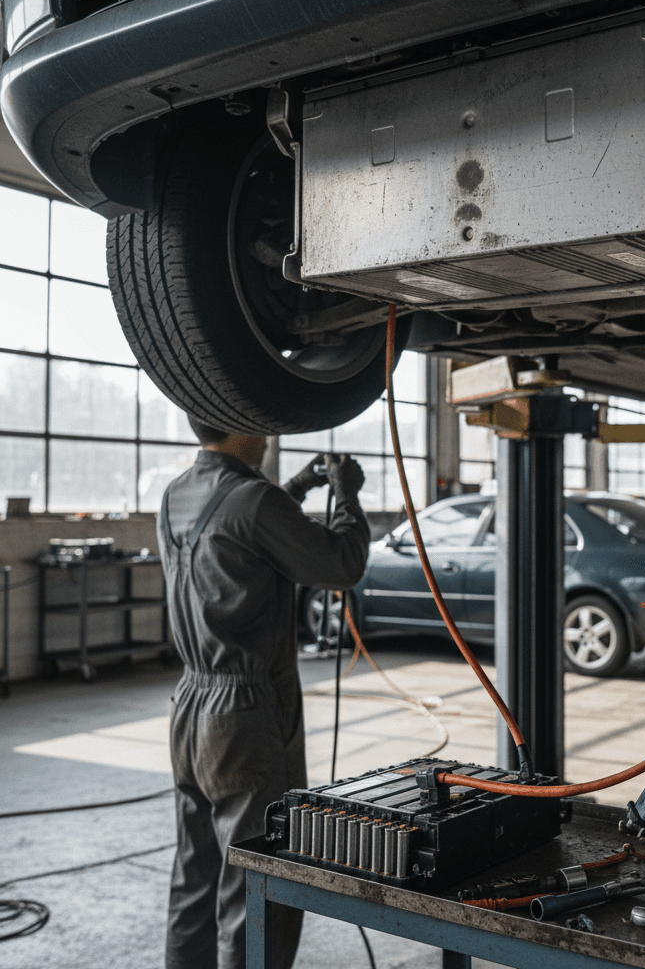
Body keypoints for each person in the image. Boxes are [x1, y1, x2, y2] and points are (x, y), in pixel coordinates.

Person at [159, 415, 370, 969]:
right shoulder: (254, 500)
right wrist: (346, 493)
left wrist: (296, 487)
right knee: (258, 891)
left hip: (189, 709)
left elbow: (241, 528)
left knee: (194, 880)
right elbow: (341, 563)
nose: (270, 433)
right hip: (244, 718)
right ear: (244, 426)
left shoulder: (176, 494)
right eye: (262, 423)